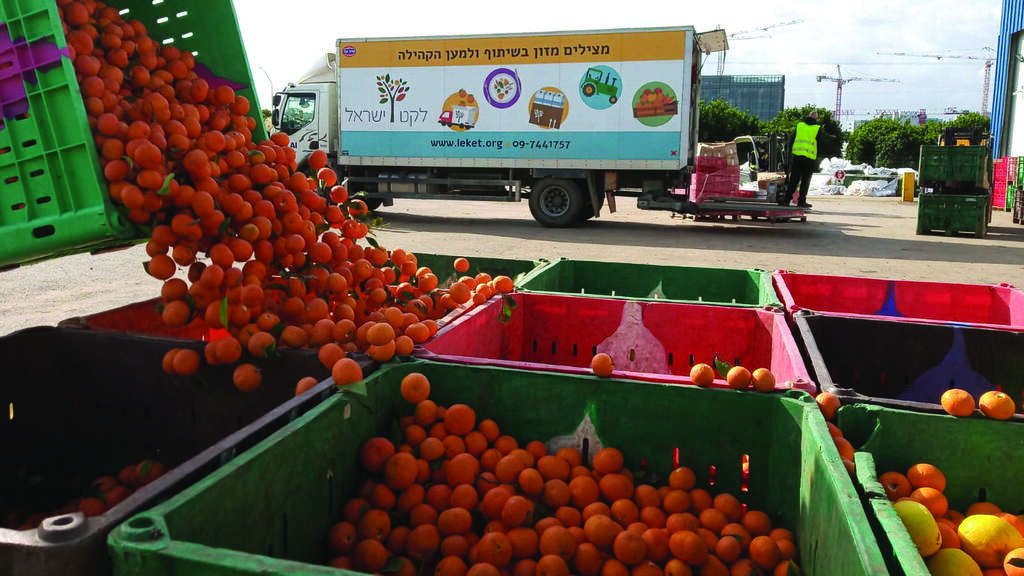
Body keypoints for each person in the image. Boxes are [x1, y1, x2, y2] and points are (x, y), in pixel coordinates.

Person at [781, 110, 822, 209]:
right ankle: (801, 201)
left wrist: (790, 153)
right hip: (809, 158)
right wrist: (817, 157)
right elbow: (820, 144)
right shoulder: (817, 128)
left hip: (797, 157)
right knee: (805, 181)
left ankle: (787, 200)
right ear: (816, 118)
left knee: (794, 179)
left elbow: (792, 140)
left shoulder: (800, 125)